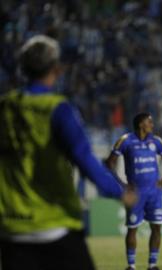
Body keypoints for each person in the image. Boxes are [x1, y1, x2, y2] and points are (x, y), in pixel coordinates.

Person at [0, 35, 137, 270]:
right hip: (55, 224)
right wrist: (118, 191)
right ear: (57, 69)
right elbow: (83, 156)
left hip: (12, 229)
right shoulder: (58, 108)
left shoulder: (5, 105)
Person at [106, 113, 162, 270]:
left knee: (156, 226)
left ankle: (152, 264)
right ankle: (131, 265)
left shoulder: (156, 141)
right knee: (132, 227)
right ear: (141, 124)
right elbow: (110, 163)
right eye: (149, 121)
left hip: (154, 193)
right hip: (135, 194)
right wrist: (121, 184)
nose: (152, 124)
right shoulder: (126, 140)